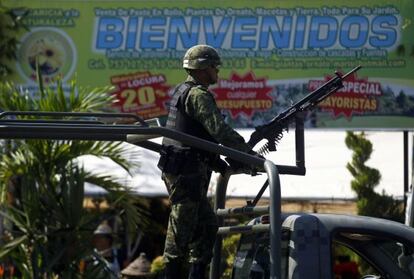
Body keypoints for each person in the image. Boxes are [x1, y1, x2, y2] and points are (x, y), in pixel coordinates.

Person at [157, 44, 261, 279]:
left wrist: (220, 163)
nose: (218, 72)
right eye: (215, 67)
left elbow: (198, 136)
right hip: (186, 173)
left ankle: (196, 273)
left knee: (206, 228)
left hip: (187, 168)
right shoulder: (197, 95)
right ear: (203, 68)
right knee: (180, 231)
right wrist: (247, 154)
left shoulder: (184, 91)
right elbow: (218, 130)